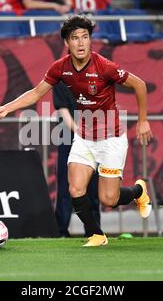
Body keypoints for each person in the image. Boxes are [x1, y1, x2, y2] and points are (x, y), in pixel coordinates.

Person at [0, 15, 153, 247]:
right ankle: (96, 234)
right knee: (75, 188)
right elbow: (37, 93)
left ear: (90, 40)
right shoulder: (60, 68)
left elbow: (139, 84)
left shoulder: (105, 67)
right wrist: (7, 108)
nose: (81, 43)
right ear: (67, 42)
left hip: (111, 138)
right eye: (75, 38)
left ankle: (138, 191)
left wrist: (143, 121)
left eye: (85, 37)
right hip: (85, 137)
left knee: (109, 198)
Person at [54, 82, 100, 238]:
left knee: (92, 189)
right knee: (66, 188)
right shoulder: (61, 79)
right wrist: (78, 130)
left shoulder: (97, 76)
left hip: (93, 140)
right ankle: (61, 232)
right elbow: (62, 109)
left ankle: (93, 231)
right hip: (68, 139)